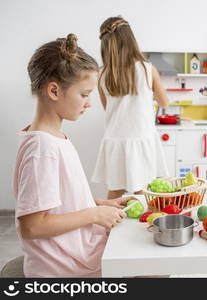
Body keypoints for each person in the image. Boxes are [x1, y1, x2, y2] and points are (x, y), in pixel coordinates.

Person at [13, 34, 135, 277]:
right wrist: (95, 214)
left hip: (75, 255)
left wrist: (101, 204)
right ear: (54, 90)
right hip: (64, 271)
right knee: (152, 268)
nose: (89, 103)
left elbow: (59, 202)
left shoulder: (52, 138)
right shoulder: (43, 148)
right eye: (85, 94)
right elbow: (33, 226)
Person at [92, 16, 170, 199]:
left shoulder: (101, 74)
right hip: (140, 138)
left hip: (115, 140)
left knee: (115, 190)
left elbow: (107, 108)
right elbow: (164, 102)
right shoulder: (146, 69)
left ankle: (111, 225)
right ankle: (142, 225)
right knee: (143, 191)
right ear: (130, 40)